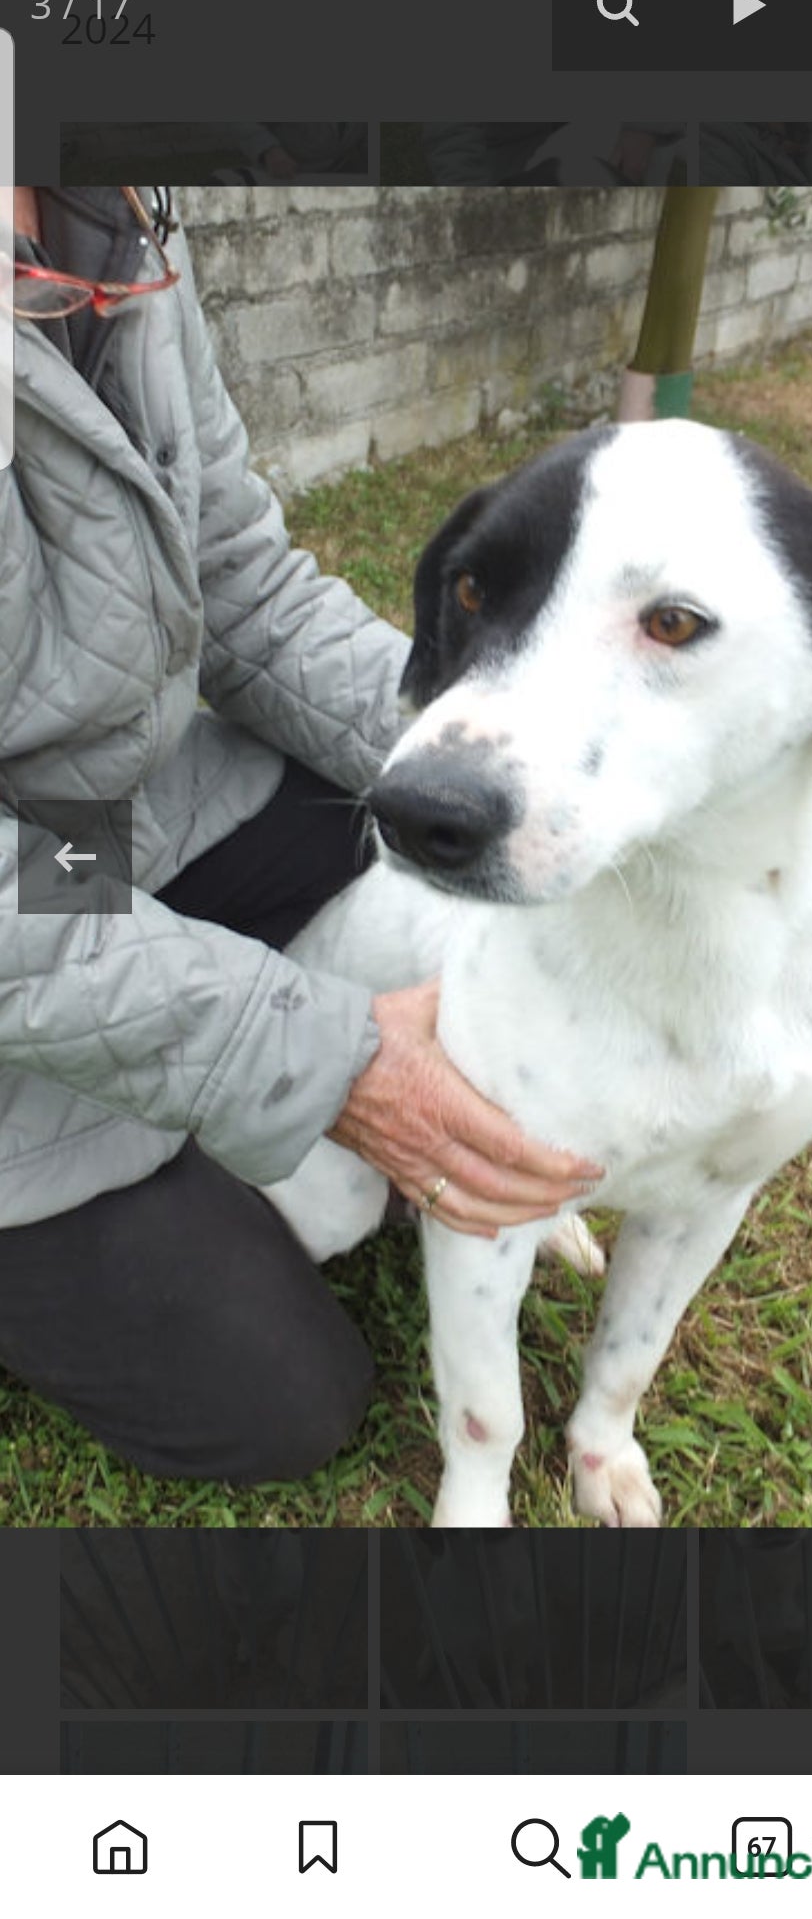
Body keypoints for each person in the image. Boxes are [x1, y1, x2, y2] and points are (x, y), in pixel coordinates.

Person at [0, 186, 599, 1485]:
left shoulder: (112, 214)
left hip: (106, 828)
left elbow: (245, 590)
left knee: (417, 854)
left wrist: (476, 771)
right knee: (280, 1400)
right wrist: (319, 1061)